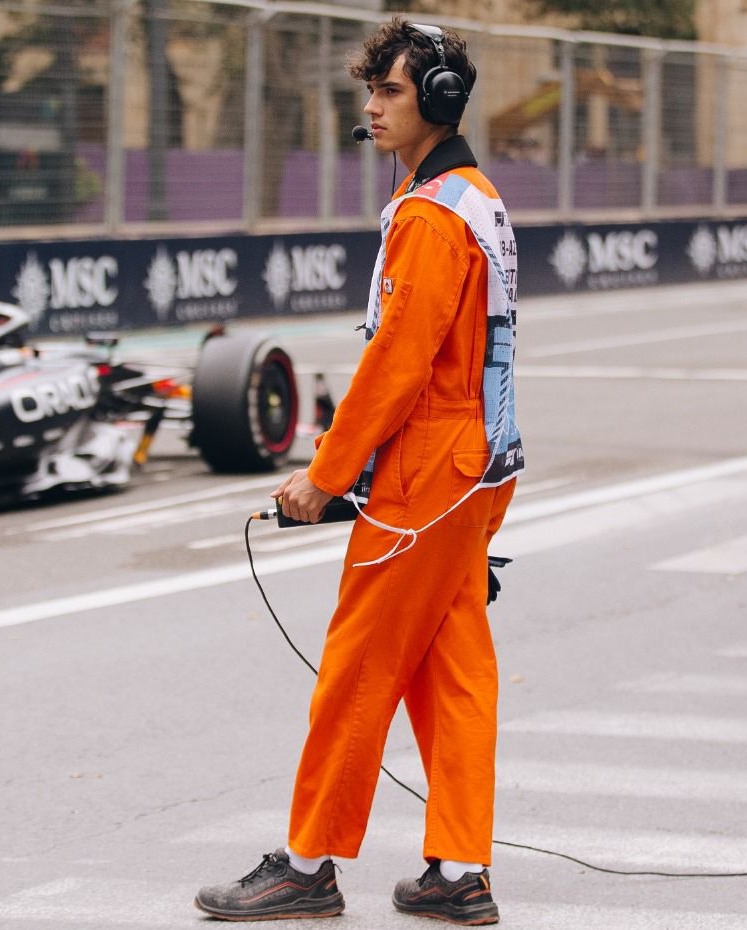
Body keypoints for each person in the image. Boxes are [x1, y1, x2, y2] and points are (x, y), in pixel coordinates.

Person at [194, 17, 523, 926]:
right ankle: (458, 871)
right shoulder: (474, 197)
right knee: (454, 670)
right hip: (479, 463)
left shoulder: (430, 216)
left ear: (440, 100)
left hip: (428, 470)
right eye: (370, 92)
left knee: (358, 666)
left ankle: (308, 865)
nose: (374, 107)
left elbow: (398, 364)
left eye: (391, 91)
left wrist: (327, 473)